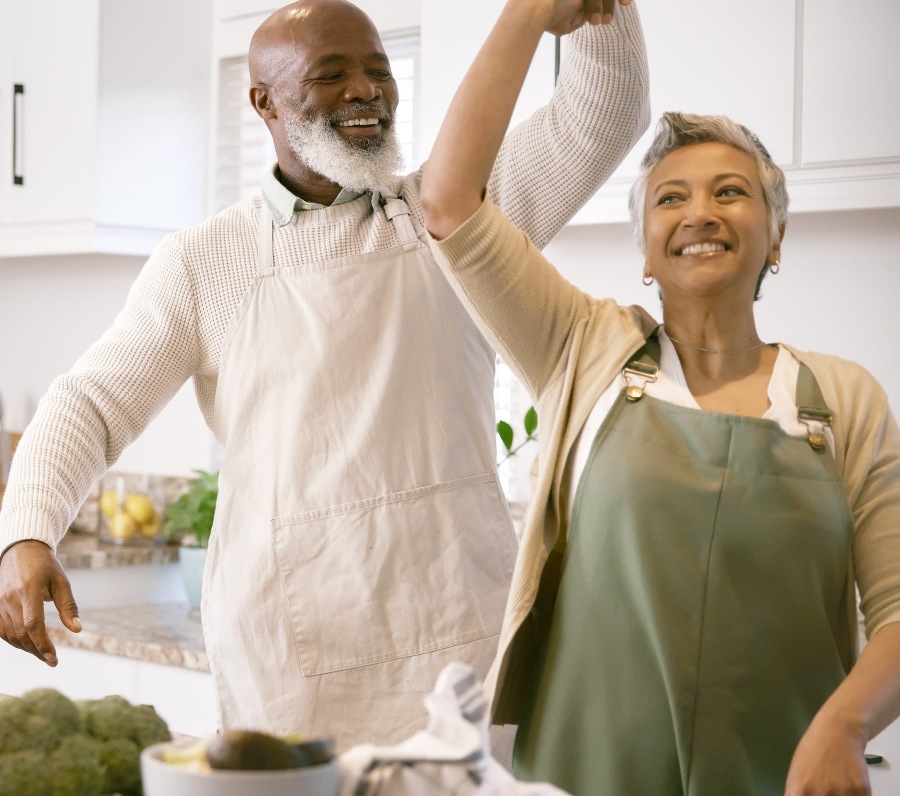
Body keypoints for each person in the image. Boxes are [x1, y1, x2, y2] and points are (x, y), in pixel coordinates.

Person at [0, 0, 649, 751]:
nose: (366, 91)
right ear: (263, 102)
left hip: (461, 641)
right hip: (290, 662)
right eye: (331, 74)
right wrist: (26, 536)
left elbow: (605, 112)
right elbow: (90, 403)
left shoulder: (458, 206)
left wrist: (602, 8)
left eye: (377, 70)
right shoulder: (203, 261)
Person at [420, 0, 900, 796]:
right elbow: (449, 198)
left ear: (777, 238)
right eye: (670, 198)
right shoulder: (584, 348)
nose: (700, 213)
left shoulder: (843, 401)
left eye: (732, 192)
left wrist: (844, 724)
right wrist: (529, 14)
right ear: (645, 246)